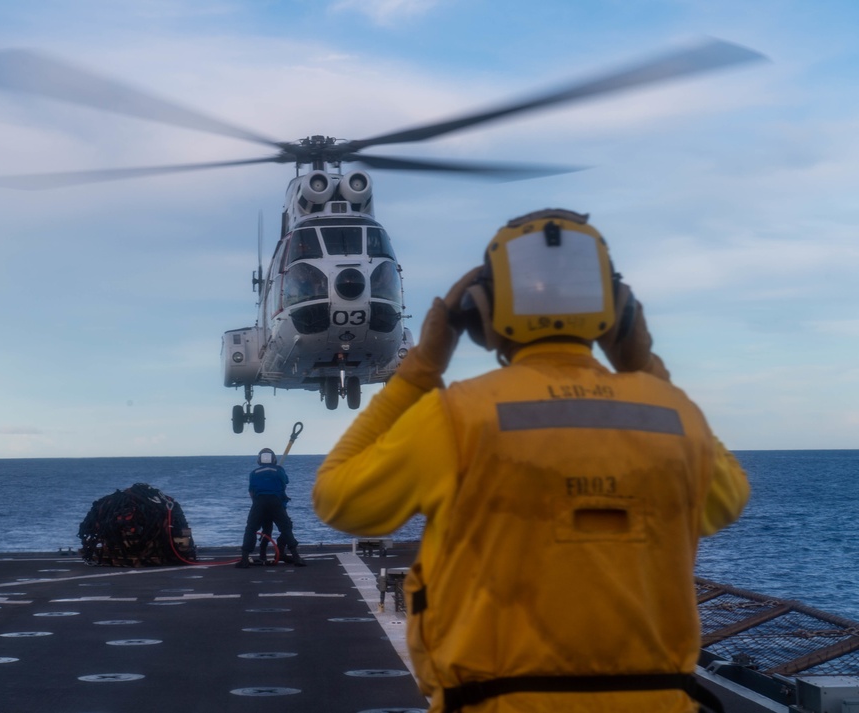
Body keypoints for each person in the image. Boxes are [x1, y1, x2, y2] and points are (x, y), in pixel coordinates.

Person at [313, 209, 750, 713]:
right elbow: (729, 500)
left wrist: (419, 370)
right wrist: (644, 367)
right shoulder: (674, 416)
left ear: (481, 314)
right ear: (621, 312)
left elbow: (339, 500)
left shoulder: (457, 416)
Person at [237, 448, 305, 568]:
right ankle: (296, 557)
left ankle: (245, 558)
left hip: (259, 502)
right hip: (275, 502)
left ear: (259, 459)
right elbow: (285, 482)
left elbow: (251, 490)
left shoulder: (254, 473)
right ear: (273, 458)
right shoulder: (279, 470)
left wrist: (257, 504)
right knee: (286, 527)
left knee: (252, 528)